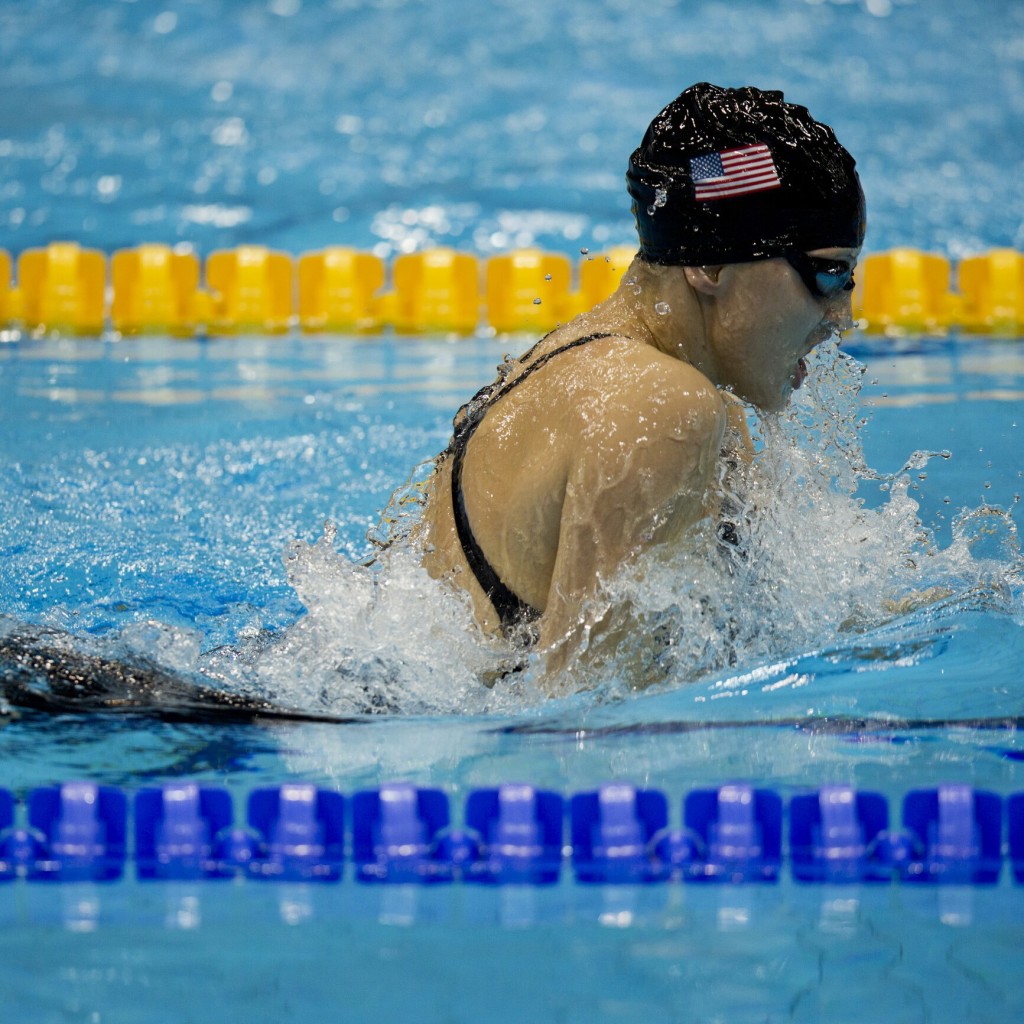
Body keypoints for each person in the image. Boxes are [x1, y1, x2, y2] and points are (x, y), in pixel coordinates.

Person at [412, 82, 866, 687]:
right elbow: (585, 721)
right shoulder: (659, 409)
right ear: (709, 263)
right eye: (829, 276)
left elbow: (791, 625)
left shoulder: (608, 376)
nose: (843, 318)